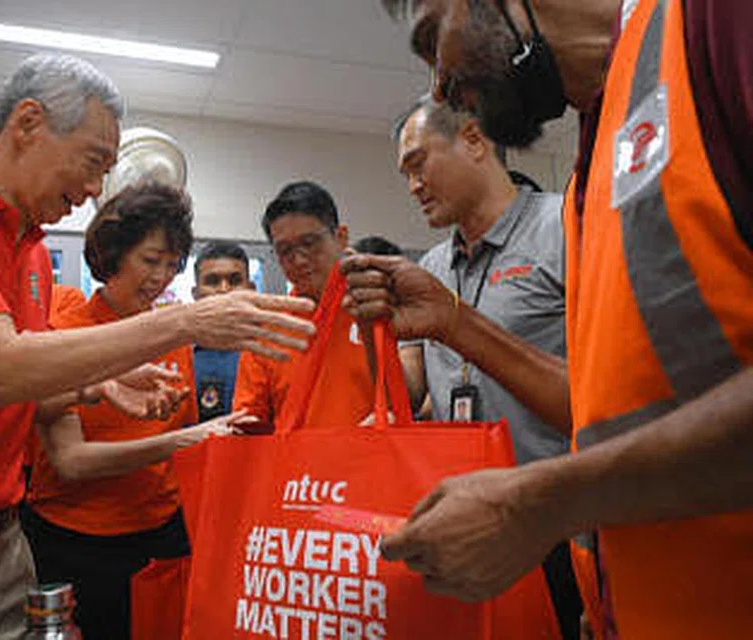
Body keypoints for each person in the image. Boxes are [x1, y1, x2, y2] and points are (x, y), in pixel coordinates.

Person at [0, 53, 314, 638]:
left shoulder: (32, 251)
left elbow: (19, 398)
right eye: (93, 162)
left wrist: (98, 385)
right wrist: (186, 324)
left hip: (0, 539)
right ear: (29, 123)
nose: (95, 191)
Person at [341, 0, 753, 637]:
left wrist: (547, 503)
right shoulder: (594, 159)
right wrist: (606, 586)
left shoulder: (714, 25)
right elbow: (604, 414)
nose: (440, 86)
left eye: (432, 39)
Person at [394, 98, 581, 638]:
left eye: (418, 163)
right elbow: (417, 388)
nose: (413, 186)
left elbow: (608, 400)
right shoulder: (429, 268)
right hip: (467, 526)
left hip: (560, 523)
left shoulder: (563, 226)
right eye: (404, 174)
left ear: (474, 140)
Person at [23, 182, 244, 639]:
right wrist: (180, 441)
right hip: (78, 540)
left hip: (161, 535)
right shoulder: (67, 332)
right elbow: (71, 461)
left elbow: (179, 435)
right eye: (149, 260)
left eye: (171, 265)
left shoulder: (171, 333)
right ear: (111, 255)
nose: (160, 277)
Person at [233, 181, 375, 431]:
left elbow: (409, 394)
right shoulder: (268, 327)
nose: (298, 259)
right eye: (285, 251)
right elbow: (248, 422)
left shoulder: (375, 306)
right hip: (294, 467)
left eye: (309, 243)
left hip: (370, 461)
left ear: (340, 237)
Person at [191, 240, 255, 421]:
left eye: (235, 281)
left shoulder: (273, 351)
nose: (224, 290)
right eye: (212, 281)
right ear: (196, 294)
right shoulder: (176, 355)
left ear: (250, 289)